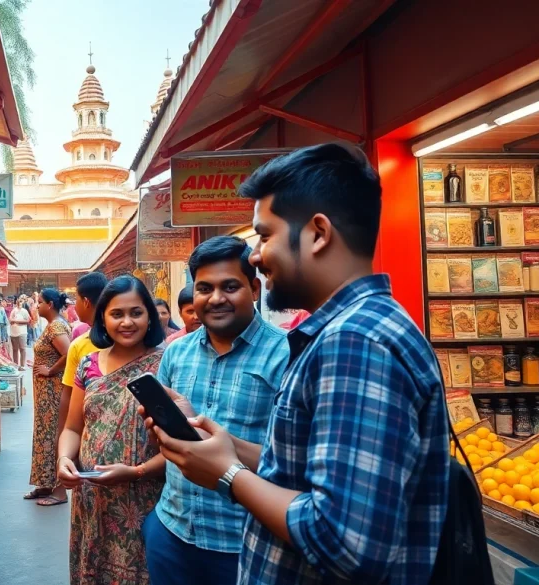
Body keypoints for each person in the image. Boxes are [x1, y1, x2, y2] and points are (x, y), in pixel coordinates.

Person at [148, 144, 449, 585]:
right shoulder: (351, 331)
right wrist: (220, 442)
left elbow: (342, 542)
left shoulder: (355, 343)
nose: (256, 255)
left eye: (265, 235)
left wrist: (227, 474)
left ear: (318, 234)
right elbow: (305, 471)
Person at [142, 236, 289, 585]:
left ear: (255, 289)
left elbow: (293, 465)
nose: (216, 298)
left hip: (245, 544)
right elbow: (168, 445)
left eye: (230, 286)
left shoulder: (287, 355)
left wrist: (219, 447)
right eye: (204, 288)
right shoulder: (177, 353)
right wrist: (161, 431)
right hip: (172, 531)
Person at [57, 276, 166, 585]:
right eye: (117, 314)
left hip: (145, 498)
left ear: (149, 316)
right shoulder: (87, 365)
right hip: (91, 498)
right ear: (103, 317)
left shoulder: (166, 364)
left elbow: (182, 447)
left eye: (136, 312)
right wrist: (65, 458)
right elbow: (73, 428)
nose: (127, 322)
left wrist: (136, 472)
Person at [26, 289, 72, 506]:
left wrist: (51, 370)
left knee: (53, 435)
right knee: (44, 435)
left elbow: (69, 353)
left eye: (41, 302)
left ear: (51, 304)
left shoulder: (56, 327)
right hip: (45, 394)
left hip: (53, 393)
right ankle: (45, 483)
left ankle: (58, 490)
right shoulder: (53, 326)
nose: (37, 306)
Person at [59, 271, 108, 437]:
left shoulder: (79, 344)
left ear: (86, 302)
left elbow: (67, 397)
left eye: (76, 300)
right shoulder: (79, 343)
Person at [9, 301, 30, 370]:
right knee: (15, 349)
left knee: (22, 349)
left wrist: (16, 321)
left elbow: (27, 321)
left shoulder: (24, 311)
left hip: (22, 332)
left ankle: (22, 365)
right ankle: (16, 365)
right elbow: (10, 320)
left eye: (20, 303)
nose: (19, 304)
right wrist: (16, 321)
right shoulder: (13, 311)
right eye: (18, 303)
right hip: (13, 333)